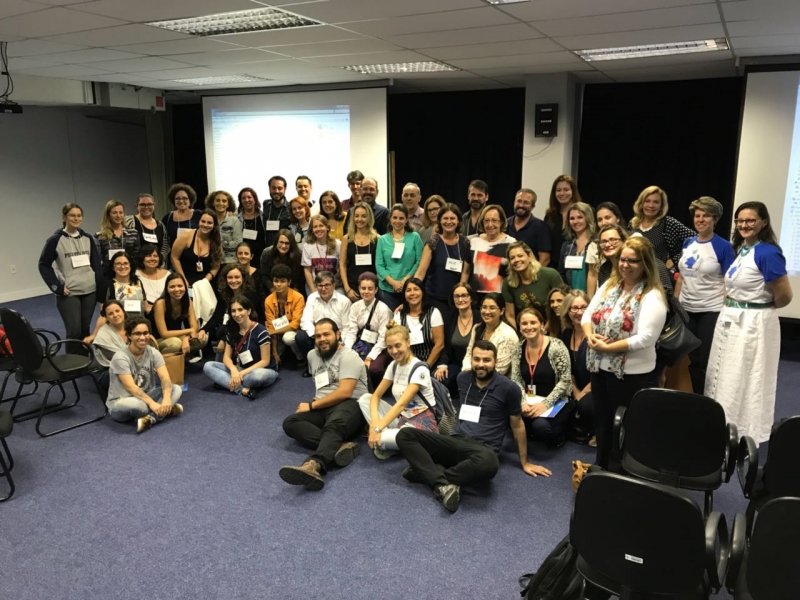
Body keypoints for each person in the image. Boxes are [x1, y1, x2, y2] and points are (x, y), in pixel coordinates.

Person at [396, 341, 552, 512]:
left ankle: (429, 474)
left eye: (486, 360)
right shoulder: (462, 379)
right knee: (405, 435)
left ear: (496, 362)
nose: (481, 364)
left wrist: (525, 462)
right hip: (455, 441)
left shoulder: (509, 388)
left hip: (483, 449)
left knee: (490, 463)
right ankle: (443, 481)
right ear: (471, 360)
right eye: (476, 359)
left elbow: (517, 425)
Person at [705, 201, 793, 444]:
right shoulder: (743, 249)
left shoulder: (768, 253)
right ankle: (722, 422)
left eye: (750, 220)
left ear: (763, 222)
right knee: (728, 374)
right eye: (740, 220)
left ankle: (744, 431)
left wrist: (759, 308)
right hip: (732, 319)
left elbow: (785, 296)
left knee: (747, 376)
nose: (744, 225)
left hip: (752, 323)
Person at [582, 236, 668, 470]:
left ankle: (622, 474)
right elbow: (587, 315)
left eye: (633, 261)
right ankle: (602, 468)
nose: (625, 265)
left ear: (645, 264)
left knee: (624, 426)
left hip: (630, 374)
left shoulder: (652, 295)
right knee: (602, 422)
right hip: (599, 368)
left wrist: (607, 348)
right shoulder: (610, 286)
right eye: (622, 259)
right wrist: (590, 336)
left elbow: (646, 338)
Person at [279, 318, 369, 491]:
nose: (322, 339)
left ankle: (314, 464)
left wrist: (311, 406)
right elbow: (321, 385)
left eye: (326, 334)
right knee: (291, 422)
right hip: (324, 406)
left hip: (351, 404)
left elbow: (345, 392)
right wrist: (316, 403)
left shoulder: (349, 356)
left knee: (333, 426)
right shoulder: (312, 356)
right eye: (318, 336)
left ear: (337, 335)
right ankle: (339, 446)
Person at [677, 197, 735, 395]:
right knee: (689, 358)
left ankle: (706, 399)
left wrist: (728, 310)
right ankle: (693, 396)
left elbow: (730, 281)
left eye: (706, 216)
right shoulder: (687, 243)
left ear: (715, 219)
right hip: (686, 310)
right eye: (697, 215)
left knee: (704, 359)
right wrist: (676, 305)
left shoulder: (724, 247)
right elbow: (681, 277)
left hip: (710, 311)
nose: (700, 220)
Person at [359, 321, 439, 460]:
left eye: (398, 345)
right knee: (365, 398)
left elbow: (401, 404)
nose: (394, 351)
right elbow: (376, 396)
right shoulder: (393, 366)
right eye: (390, 347)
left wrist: (377, 429)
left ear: (408, 342)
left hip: (422, 425)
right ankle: (392, 442)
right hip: (403, 419)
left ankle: (388, 441)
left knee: (382, 439)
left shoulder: (420, 368)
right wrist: (374, 424)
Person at [39, 203, 103, 349]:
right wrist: (57, 287)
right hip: (69, 293)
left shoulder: (87, 238)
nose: (76, 218)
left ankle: (84, 358)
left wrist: (99, 287)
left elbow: (96, 265)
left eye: (79, 216)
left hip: (90, 290)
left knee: (85, 329)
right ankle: (73, 360)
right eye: (72, 215)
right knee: (74, 331)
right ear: (64, 217)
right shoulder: (55, 240)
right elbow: (43, 265)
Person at [105, 316, 183, 434]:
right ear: (129, 336)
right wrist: (152, 403)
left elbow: (165, 378)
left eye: (145, 333)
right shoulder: (120, 357)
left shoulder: (154, 353)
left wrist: (167, 399)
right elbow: (131, 388)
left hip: (146, 395)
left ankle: (151, 419)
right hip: (121, 402)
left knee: (176, 389)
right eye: (137, 334)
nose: (142, 337)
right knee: (139, 406)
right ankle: (167, 410)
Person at [510, 308, 572, 445]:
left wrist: (545, 404)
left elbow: (565, 380)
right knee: (509, 417)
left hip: (556, 401)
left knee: (541, 427)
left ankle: (562, 431)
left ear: (542, 325)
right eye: (524, 323)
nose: (529, 327)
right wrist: (522, 402)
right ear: (519, 327)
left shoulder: (557, 346)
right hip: (530, 399)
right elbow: (516, 379)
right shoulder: (518, 349)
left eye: (533, 322)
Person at [203, 296, 278, 399]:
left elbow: (265, 361)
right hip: (241, 369)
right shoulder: (231, 330)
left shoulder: (261, 330)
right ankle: (242, 390)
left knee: (257, 376)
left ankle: (225, 382)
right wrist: (234, 370)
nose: (237, 314)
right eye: (233, 311)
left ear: (249, 311)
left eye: (240, 310)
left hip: (263, 370)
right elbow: (226, 358)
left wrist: (241, 373)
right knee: (208, 366)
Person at [415, 203, 472, 320]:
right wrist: (412, 292)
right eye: (445, 218)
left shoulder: (465, 243)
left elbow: (465, 272)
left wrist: (460, 294)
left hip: (457, 300)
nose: (449, 222)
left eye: (452, 218)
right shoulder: (432, 243)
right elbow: (420, 273)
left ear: (458, 221)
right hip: (434, 298)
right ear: (440, 221)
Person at [341, 272, 393, 388]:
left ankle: (378, 387)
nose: (366, 291)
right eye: (363, 288)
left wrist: (370, 357)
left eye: (370, 288)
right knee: (346, 362)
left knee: (374, 369)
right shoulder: (355, 307)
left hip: (379, 346)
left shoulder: (383, 309)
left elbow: (383, 339)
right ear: (359, 289)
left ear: (376, 290)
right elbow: (352, 332)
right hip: (361, 343)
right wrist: (347, 351)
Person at [85, 251, 146, 343]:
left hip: (139, 328)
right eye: (118, 264)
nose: (122, 267)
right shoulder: (108, 285)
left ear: (130, 265)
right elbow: (103, 315)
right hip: (118, 330)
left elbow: (145, 306)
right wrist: (94, 335)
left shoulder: (138, 283)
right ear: (113, 267)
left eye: (125, 263)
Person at [629, 185, 694, 270]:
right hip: (635, 273)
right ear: (641, 203)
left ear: (661, 206)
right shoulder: (633, 224)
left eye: (656, 202)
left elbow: (696, 239)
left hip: (659, 274)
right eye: (647, 201)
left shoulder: (668, 223)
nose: (651, 205)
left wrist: (675, 260)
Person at [296, 271, 351, 370]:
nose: (323, 289)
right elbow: (305, 320)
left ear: (333, 285)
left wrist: (341, 342)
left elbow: (347, 327)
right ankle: (312, 367)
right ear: (316, 286)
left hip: (336, 336)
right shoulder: (311, 298)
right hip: (317, 334)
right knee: (300, 337)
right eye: (320, 286)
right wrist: (317, 336)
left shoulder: (344, 301)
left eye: (327, 285)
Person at [559, 291, 594, 445]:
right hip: (573, 386)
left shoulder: (595, 333)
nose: (579, 312)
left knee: (585, 405)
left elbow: (602, 370)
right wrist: (575, 391)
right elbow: (566, 369)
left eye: (584, 307)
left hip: (596, 385)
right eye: (574, 308)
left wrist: (582, 393)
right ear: (567, 311)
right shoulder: (566, 334)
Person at [435, 283, 480, 398]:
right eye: (457, 296)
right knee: (440, 379)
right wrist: (442, 364)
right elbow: (445, 345)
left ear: (471, 298)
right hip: (455, 363)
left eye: (464, 295)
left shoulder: (480, 317)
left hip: (475, 364)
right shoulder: (449, 317)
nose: (460, 299)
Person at [502, 241, 563, 326]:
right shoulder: (508, 283)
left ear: (530, 256)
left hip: (553, 326)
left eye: (520, 256)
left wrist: (543, 330)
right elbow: (510, 316)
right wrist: (516, 333)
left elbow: (561, 306)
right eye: (512, 258)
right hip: (526, 328)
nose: (516, 260)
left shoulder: (550, 275)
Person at [209, 263, 264, 357]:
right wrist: (203, 330)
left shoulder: (251, 295)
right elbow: (217, 315)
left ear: (243, 278)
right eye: (230, 277)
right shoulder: (225, 293)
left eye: (237, 277)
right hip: (234, 326)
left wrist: (224, 339)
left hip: (250, 328)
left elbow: (246, 321)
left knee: (223, 332)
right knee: (219, 331)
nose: (233, 280)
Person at [376, 204, 423, 311]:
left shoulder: (415, 237)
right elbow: (379, 265)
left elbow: (419, 261)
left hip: (409, 288)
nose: (398, 221)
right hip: (387, 289)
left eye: (401, 218)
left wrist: (404, 281)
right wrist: (393, 283)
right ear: (390, 219)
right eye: (395, 217)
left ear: (406, 220)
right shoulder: (382, 240)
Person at [152, 272, 209, 358]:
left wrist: (186, 338)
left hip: (177, 337)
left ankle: (180, 359)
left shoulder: (187, 301)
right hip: (157, 340)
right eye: (172, 287)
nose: (176, 289)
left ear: (185, 287)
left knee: (203, 338)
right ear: (166, 289)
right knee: (176, 344)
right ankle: (161, 362)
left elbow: (194, 327)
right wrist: (189, 331)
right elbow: (164, 333)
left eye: (180, 286)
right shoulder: (160, 303)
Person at [462, 292, 518, 375]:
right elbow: (469, 354)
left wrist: (475, 376)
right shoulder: (477, 328)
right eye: (484, 307)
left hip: (497, 379)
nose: (487, 311)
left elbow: (500, 370)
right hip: (474, 374)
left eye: (492, 308)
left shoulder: (508, 334)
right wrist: (467, 373)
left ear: (502, 311)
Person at [396, 277, 445, 367]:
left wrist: (425, 366)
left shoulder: (434, 313)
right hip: (406, 362)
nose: (412, 293)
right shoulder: (398, 315)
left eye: (416, 289)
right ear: (404, 295)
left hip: (431, 363)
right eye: (408, 290)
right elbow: (396, 344)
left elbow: (439, 344)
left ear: (422, 293)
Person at [264, 264, 306, 367]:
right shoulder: (268, 300)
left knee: (288, 338)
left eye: (282, 281)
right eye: (276, 281)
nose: (278, 284)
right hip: (277, 333)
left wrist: (272, 332)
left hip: (295, 332)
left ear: (289, 282)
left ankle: (301, 358)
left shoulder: (298, 297)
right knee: (272, 360)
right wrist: (274, 352)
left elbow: (295, 325)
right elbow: (271, 326)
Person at [469, 204, 516, 294]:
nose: (490, 224)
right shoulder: (474, 242)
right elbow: (466, 271)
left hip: (500, 296)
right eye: (486, 221)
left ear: (501, 222)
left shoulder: (511, 243)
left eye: (494, 220)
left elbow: (514, 273)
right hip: (475, 296)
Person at [170, 209, 223, 287]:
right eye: (203, 221)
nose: (205, 225)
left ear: (214, 225)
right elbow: (174, 258)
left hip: (206, 283)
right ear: (199, 221)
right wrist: (183, 280)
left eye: (209, 223)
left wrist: (204, 282)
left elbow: (216, 266)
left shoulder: (216, 241)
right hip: (185, 281)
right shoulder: (186, 235)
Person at [340, 202, 379, 302]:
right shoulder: (346, 239)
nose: (359, 219)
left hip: (372, 289)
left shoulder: (378, 239)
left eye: (363, 216)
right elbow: (342, 265)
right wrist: (347, 289)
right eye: (356, 216)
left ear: (369, 218)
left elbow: (380, 266)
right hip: (352, 288)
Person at [558, 201, 599, 295]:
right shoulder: (567, 246)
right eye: (572, 218)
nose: (575, 221)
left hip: (592, 296)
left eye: (580, 217)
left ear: (588, 218)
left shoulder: (596, 244)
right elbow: (561, 274)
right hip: (571, 296)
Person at [506, 188, 551, 266]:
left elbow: (545, 259)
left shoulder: (541, 227)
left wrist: (534, 273)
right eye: (519, 201)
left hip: (531, 272)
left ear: (533, 206)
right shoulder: (504, 224)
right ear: (514, 202)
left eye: (526, 203)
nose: (521, 205)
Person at [92, 300, 128, 396]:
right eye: (110, 314)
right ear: (106, 317)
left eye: (117, 311)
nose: (115, 315)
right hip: (110, 373)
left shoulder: (132, 326)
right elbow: (119, 360)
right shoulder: (103, 335)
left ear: (123, 311)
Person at [95, 199, 140, 276]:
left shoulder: (133, 233)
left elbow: (137, 256)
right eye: (114, 213)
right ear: (108, 215)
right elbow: (97, 260)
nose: (118, 216)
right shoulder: (100, 236)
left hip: (129, 274)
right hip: (108, 275)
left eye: (121, 212)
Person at [124, 193, 170, 267]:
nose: (146, 207)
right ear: (137, 206)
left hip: (156, 267)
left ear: (154, 205)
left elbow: (165, 246)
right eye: (142, 204)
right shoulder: (129, 221)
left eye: (149, 204)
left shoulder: (160, 225)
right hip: (135, 266)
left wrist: (159, 262)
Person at [544, 175, 581, 265]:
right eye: (558, 190)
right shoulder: (550, 215)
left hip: (575, 263)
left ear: (573, 191)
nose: (562, 193)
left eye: (566, 189)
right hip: (552, 265)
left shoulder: (582, 212)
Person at [302, 215, 343, 293]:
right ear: (312, 230)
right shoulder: (307, 246)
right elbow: (307, 270)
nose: (318, 229)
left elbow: (342, 266)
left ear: (327, 227)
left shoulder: (338, 244)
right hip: (315, 286)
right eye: (315, 227)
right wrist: (313, 291)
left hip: (335, 286)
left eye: (321, 226)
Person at [260, 229, 304, 295]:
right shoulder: (267, 253)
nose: (283, 246)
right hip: (272, 290)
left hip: (293, 290)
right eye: (281, 242)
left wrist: (294, 294)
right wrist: (274, 292)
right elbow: (265, 276)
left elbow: (300, 277)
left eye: (287, 243)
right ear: (276, 242)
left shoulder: (298, 254)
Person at [205, 190, 243, 264]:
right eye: (217, 200)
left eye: (224, 201)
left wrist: (219, 243)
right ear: (213, 203)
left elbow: (238, 242)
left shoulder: (234, 220)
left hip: (229, 261)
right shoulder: (208, 219)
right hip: (210, 260)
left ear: (228, 204)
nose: (220, 203)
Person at [136, 243, 170, 319]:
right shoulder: (136, 275)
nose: (152, 258)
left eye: (155, 256)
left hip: (166, 312)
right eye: (148, 256)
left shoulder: (168, 274)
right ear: (142, 258)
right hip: (144, 314)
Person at [237, 187, 267, 265]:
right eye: (243, 198)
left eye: (249, 197)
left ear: (255, 199)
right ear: (240, 201)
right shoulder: (236, 218)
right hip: (243, 258)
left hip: (261, 258)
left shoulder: (264, 216)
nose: (247, 200)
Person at [263, 176, 293, 249]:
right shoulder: (266, 204)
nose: (276, 191)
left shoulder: (291, 208)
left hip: (283, 249)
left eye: (280, 188)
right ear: (269, 189)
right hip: (266, 249)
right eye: (273, 188)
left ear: (285, 189)